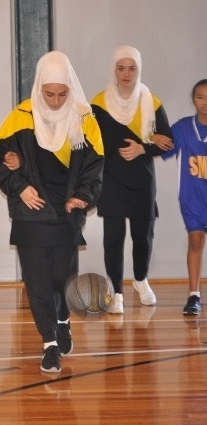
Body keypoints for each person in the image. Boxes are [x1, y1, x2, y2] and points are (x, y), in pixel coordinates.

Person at [0, 51, 104, 373]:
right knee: (37, 282)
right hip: (30, 215)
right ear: (39, 88)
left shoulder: (85, 119)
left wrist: (82, 198)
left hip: (66, 215)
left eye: (62, 94)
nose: (55, 101)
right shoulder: (19, 117)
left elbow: (95, 168)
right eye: (49, 94)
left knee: (61, 279)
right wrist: (19, 186)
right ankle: (49, 343)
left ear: (71, 89)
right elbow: (3, 159)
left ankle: (63, 319)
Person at [91, 45, 174, 314]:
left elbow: (167, 143)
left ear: (139, 70)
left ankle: (140, 280)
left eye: (132, 68)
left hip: (142, 180)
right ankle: (116, 292)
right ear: (113, 69)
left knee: (143, 236)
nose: (126, 74)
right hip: (111, 180)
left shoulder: (153, 101)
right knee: (113, 238)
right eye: (121, 67)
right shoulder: (98, 103)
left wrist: (143, 147)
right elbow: (91, 142)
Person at [161, 79, 207, 316]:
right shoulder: (182, 127)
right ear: (193, 99)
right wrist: (149, 141)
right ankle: (194, 295)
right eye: (200, 97)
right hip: (193, 197)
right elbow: (161, 147)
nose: (205, 103)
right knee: (196, 241)